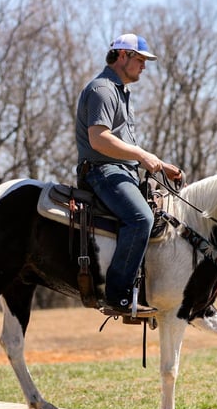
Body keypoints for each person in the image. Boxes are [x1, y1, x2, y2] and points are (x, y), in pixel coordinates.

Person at [76, 33, 182, 317]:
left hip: (121, 170)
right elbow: (99, 140)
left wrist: (159, 162)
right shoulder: (102, 89)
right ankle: (117, 296)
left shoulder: (121, 92)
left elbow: (125, 144)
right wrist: (143, 156)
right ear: (122, 56)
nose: (144, 67)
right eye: (141, 60)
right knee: (140, 218)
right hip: (102, 171)